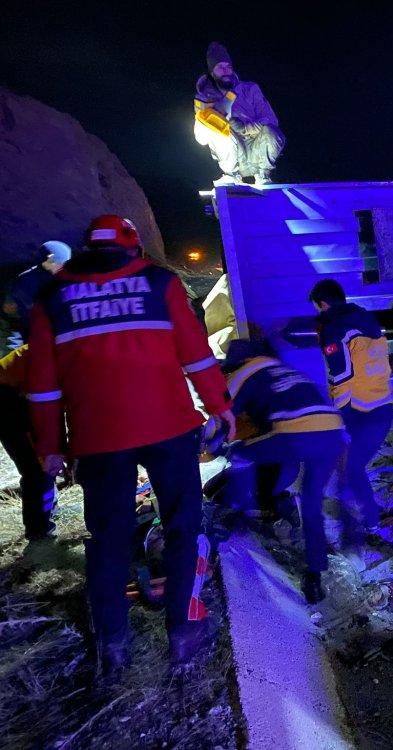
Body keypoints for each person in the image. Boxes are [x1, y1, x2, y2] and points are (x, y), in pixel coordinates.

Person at [26, 215, 236, 673]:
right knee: (183, 526)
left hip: (98, 439)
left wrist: (51, 444)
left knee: (108, 538)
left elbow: (42, 386)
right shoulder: (158, 283)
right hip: (170, 429)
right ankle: (185, 630)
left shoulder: (52, 297)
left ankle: (113, 645)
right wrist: (220, 405)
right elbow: (196, 353)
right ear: (133, 247)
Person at [214, 339, 346, 603]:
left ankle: (246, 513)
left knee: (239, 453)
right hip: (333, 434)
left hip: (294, 434)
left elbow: (220, 416)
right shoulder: (287, 370)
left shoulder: (245, 372)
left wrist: (207, 446)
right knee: (311, 504)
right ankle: (314, 577)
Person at [309, 279, 393, 566]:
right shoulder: (365, 318)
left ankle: (368, 527)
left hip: (361, 412)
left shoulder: (334, 328)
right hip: (381, 406)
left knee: (351, 467)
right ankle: (362, 520)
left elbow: (342, 380)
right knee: (348, 467)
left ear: (322, 304)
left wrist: (337, 419)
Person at [0, 241, 71, 540]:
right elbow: (48, 409)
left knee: (45, 460)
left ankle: (45, 514)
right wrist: (58, 452)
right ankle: (40, 532)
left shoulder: (64, 283)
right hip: (10, 397)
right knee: (38, 466)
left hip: (26, 382)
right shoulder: (25, 285)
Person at [194, 41, 284, 187]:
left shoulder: (250, 89)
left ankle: (264, 176)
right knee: (220, 133)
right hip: (232, 155)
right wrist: (211, 122)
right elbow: (201, 139)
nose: (226, 70)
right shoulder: (204, 98)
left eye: (228, 66)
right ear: (212, 72)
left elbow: (271, 120)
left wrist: (246, 127)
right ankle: (231, 175)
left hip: (257, 150)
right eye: (220, 67)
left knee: (272, 131)